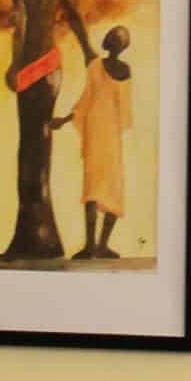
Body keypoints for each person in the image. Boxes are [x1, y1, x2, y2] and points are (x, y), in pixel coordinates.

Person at [0, 0, 89, 262]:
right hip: (48, 69)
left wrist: (13, 67)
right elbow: (75, 20)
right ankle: (40, 237)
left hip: (30, 71)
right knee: (38, 148)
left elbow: (20, 30)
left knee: (30, 149)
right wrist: (88, 51)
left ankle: (36, 237)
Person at [56, 26, 134, 260]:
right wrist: (64, 120)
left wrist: (64, 120)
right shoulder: (123, 70)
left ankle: (93, 247)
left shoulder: (96, 66)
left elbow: (85, 102)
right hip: (109, 134)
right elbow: (124, 110)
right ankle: (99, 246)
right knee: (111, 188)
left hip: (96, 132)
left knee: (94, 187)